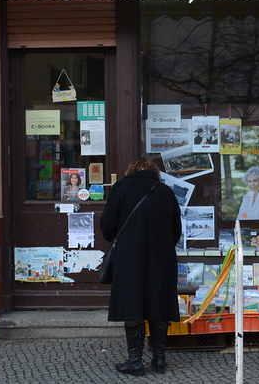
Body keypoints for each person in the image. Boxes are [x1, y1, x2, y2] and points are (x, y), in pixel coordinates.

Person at [100, 157, 181, 376]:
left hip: (130, 256)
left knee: (132, 304)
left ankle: (135, 362)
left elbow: (107, 224)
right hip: (162, 257)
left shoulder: (121, 187)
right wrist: (162, 245)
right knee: (159, 303)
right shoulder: (166, 191)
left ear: (131, 170)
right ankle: (160, 359)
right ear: (155, 172)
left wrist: (121, 240)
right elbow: (176, 229)